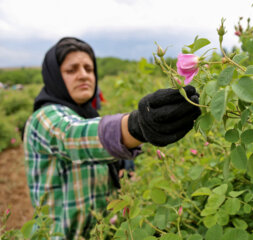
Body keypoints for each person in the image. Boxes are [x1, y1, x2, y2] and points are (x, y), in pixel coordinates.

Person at [23, 37, 201, 239]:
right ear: (54, 76)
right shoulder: (44, 118)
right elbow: (74, 135)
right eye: (71, 70)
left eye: (89, 69)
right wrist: (137, 126)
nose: (83, 75)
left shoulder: (89, 116)